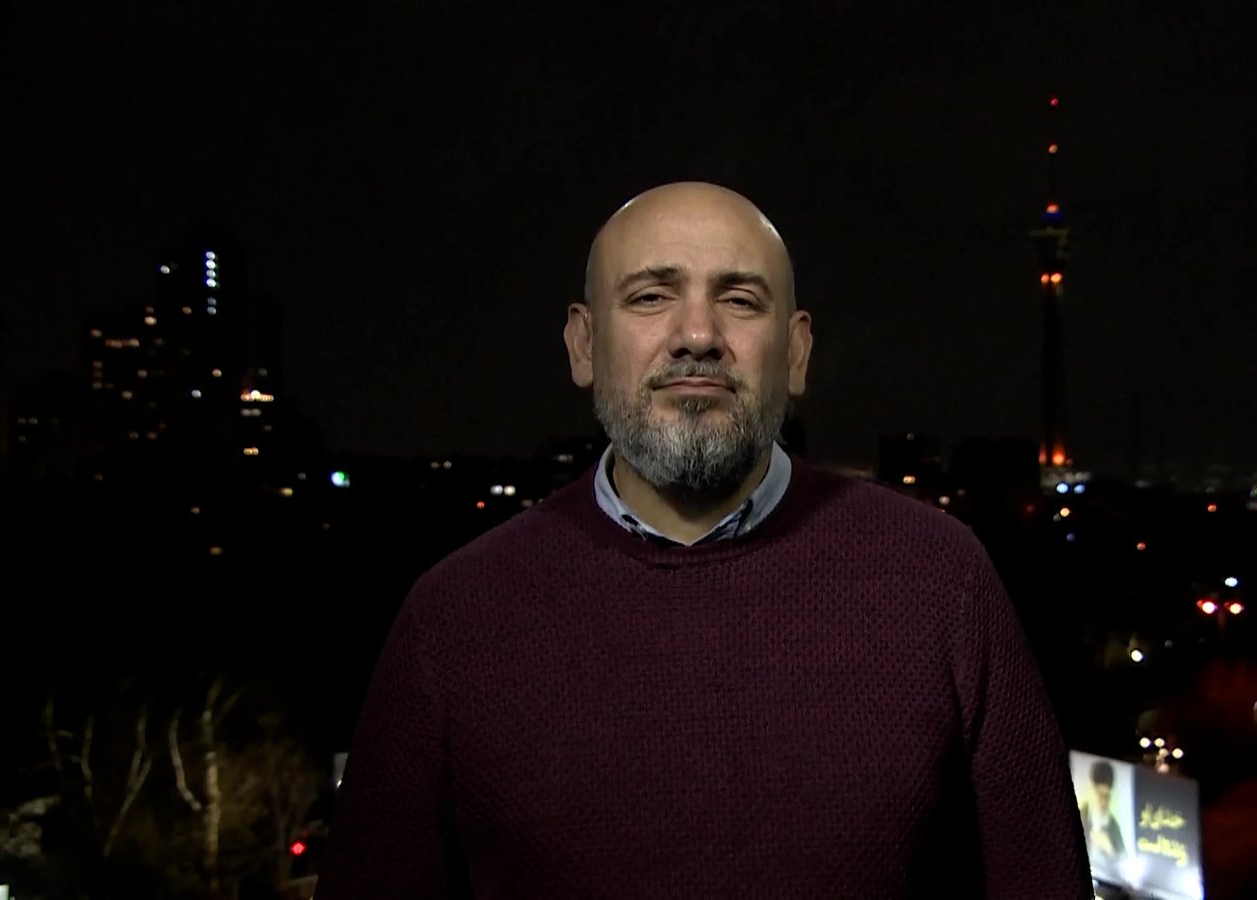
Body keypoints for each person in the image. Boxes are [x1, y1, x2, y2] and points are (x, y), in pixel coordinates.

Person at [315, 181, 1092, 898]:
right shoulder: (453, 619)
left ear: (797, 353)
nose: (697, 335)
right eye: (651, 296)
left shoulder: (943, 583)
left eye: (740, 301)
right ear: (583, 345)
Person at [1080, 760, 1125, 863]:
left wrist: (1110, 850)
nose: (1103, 802)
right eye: (1099, 795)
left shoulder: (1113, 826)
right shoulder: (1081, 815)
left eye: (1106, 796)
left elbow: (1123, 863)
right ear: (1091, 790)